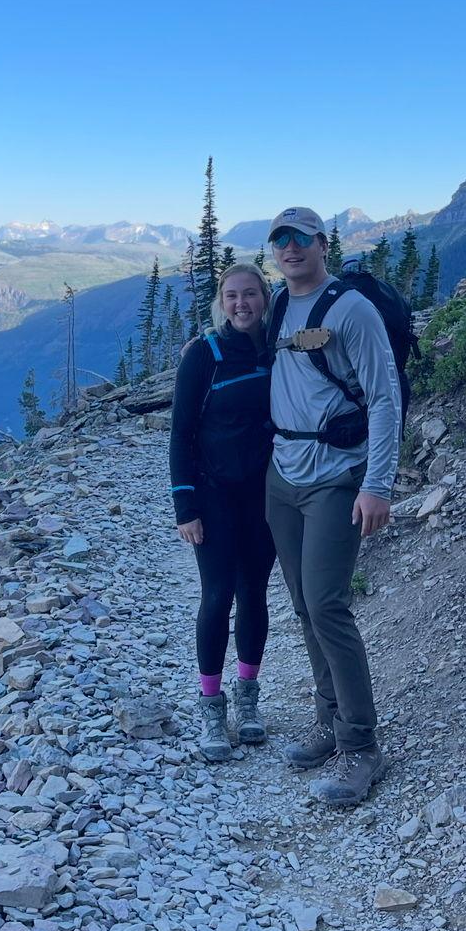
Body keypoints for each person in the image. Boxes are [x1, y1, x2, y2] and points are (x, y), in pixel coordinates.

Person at [264, 207, 401, 806]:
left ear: (323, 244)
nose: (290, 248)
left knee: (326, 605)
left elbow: (385, 398)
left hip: (336, 476)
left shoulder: (352, 309)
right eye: (280, 239)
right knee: (303, 605)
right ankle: (329, 720)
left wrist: (378, 485)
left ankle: (361, 747)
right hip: (283, 475)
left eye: (302, 238)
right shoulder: (277, 304)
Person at [169, 263, 277, 762]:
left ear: (264, 298)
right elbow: (181, 434)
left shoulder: (276, 348)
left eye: (250, 294)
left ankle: (248, 699)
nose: (241, 304)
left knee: (254, 591)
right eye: (232, 296)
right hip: (213, 494)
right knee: (217, 595)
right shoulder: (204, 354)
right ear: (221, 302)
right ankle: (212, 707)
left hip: (264, 494)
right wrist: (185, 505)